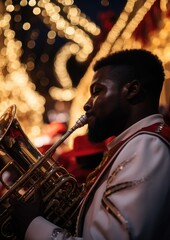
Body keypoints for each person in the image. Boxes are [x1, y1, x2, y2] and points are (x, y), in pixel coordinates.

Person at [11, 49, 170, 240]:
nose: (87, 104)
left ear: (132, 90)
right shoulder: (135, 143)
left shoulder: (148, 146)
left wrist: (32, 224)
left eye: (97, 91)